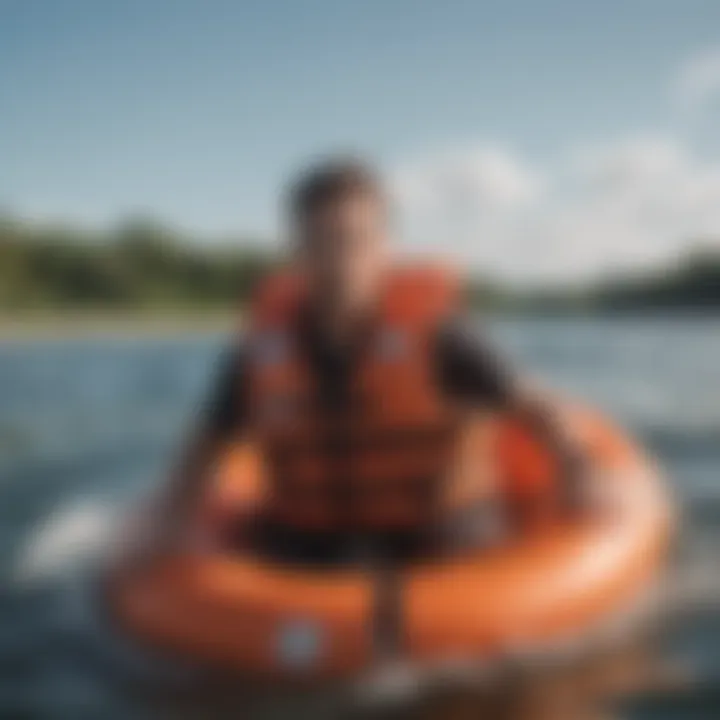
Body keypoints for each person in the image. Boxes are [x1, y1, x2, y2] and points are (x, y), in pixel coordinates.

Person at [140, 157, 589, 566]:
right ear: (297, 249)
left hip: (436, 531)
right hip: (309, 536)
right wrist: (164, 529)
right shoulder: (259, 354)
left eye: (354, 241)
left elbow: (536, 409)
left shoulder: (443, 338)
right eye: (319, 241)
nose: (338, 261)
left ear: (384, 248)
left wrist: (577, 473)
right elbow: (203, 450)